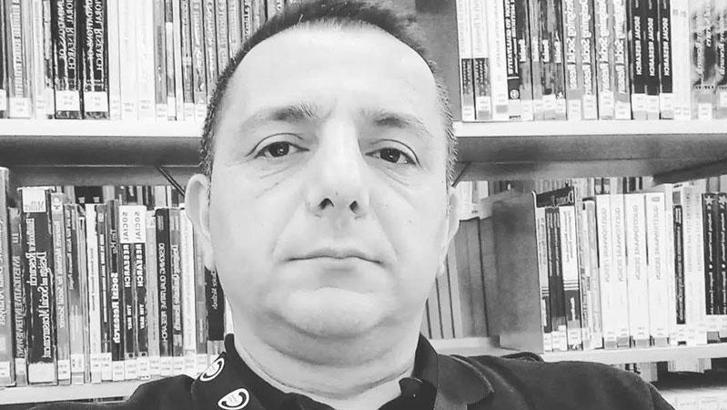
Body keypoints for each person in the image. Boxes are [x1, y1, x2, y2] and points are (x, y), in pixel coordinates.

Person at [37, 1, 674, 409]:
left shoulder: (613, 402)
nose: (340, 183)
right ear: (205, 218)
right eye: (278, 146)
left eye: (392, 153)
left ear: (445, 225)